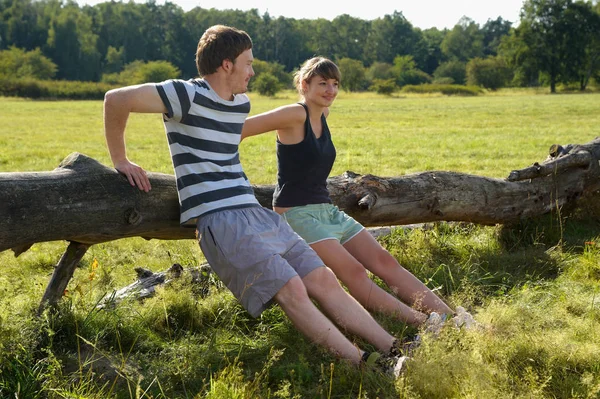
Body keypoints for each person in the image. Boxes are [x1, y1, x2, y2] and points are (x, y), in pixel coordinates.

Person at [103, 25, 407, 373]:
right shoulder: (185, 94)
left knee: (322, 278)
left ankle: (395, 349)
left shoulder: (240, 104)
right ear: (227, 65)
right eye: (248, 63)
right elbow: (116, 99)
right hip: (219, 218)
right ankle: (367, 366)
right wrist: (121, 160)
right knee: (292, 287)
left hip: (255, 211)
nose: (253, 71)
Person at [242, 56, 466, 330]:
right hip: (298, 214)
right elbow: (239, 129)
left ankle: (452, 318)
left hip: (327, 211)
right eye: (322, 83)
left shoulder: (323, 115)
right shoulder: (294, 114)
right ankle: (427, 324)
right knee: (356, 273)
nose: (330, 90)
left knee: (385, 261)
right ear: (304, 84)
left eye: (335, 84)